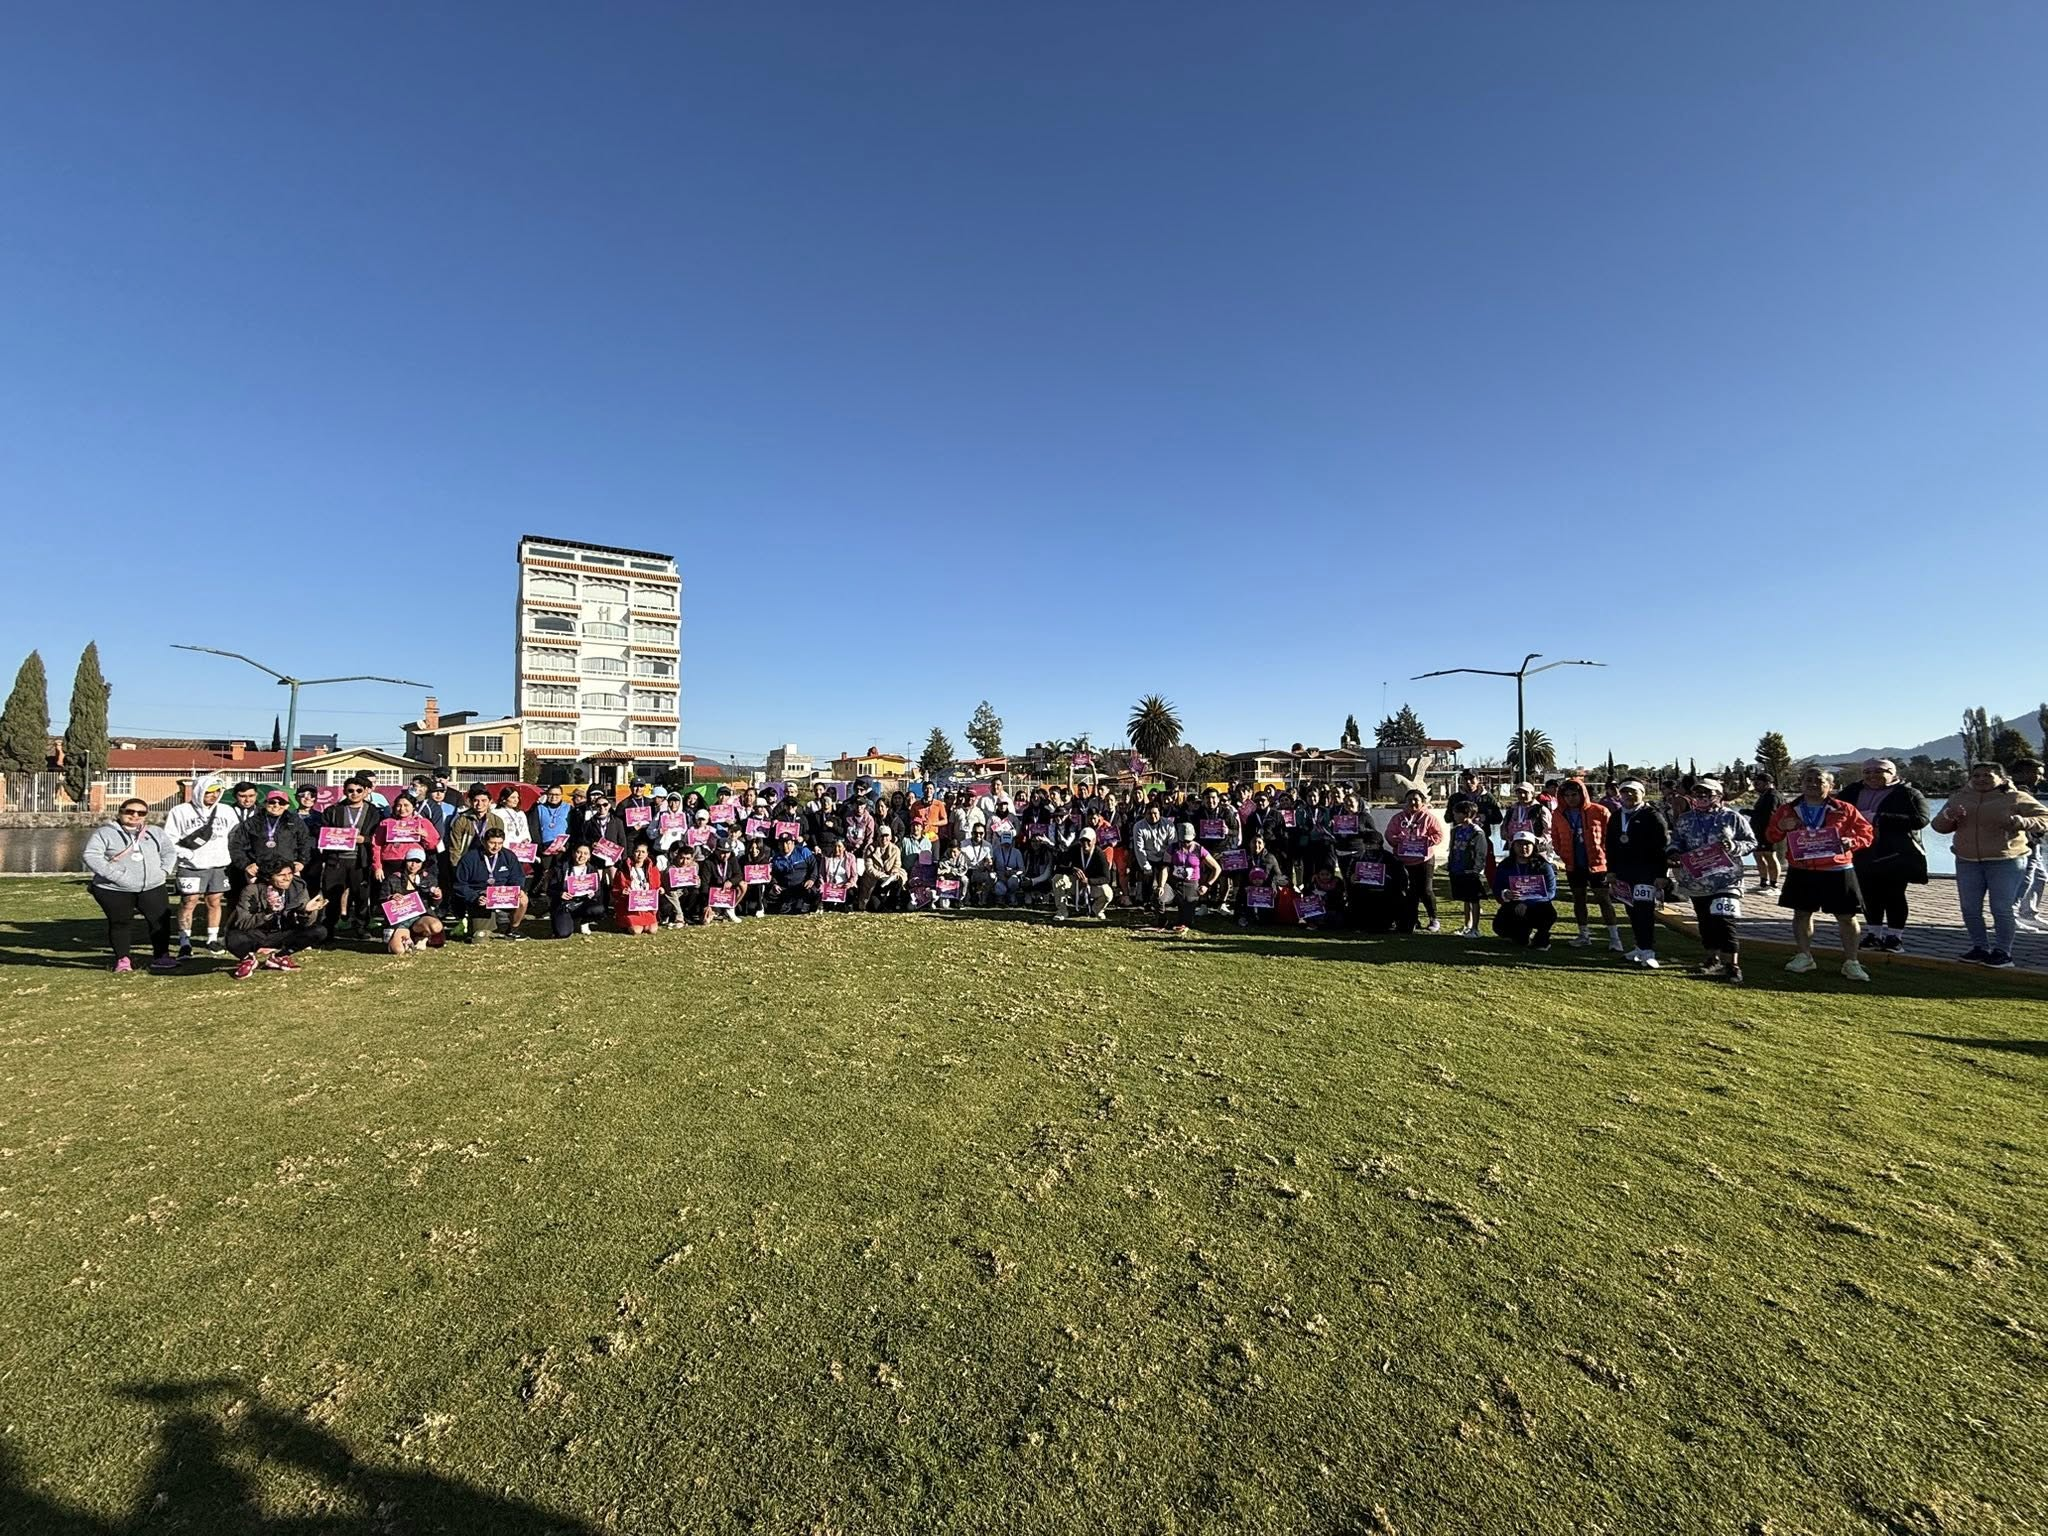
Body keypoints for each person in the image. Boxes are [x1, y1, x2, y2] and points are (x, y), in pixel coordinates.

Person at [1929, 761, 2048, 968]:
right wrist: (1949, 816)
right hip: (1967, 861)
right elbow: (1938, 826)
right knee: (1969, 908)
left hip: (2006, 861)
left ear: (2001, 778)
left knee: (2001, 908)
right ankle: (1980, 948)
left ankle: (2003, 952)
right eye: (1976, 776)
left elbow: (2044, 818)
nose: (1981, 779)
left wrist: (2021, 822)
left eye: (1988, 775)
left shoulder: (2015, 796)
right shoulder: (1959, 798)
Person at [1766, 767, 1875, 981]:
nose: (1813, 784)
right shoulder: (1788, 809)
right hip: (1802, 869)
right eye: (1808, 780)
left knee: (1846, 917)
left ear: (1830, 786)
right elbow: (1770, 836)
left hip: (1837, 869)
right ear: (1801, 784)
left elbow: (1867, 833)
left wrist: (1852, 842)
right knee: (1801, 914)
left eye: (1819, 781)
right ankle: (1804, 956)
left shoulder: (1844, 808)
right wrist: (1780, 826)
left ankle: (1852, 962)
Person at [1666, 778, 1753, 981]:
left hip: (1726, 879)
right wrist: (1674, 852)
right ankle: (1712, 959)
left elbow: (1751, 842)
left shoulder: (1732, 817)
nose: (1702, 797)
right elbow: (1676, 841)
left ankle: (1732, 964)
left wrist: (1734, 847)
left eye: (1707, 793)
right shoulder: (1686, 819)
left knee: (1724, 919)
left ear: (1719, 796)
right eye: (1698, 793)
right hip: (1697, 880)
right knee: (1705, 920)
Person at [82, 797, 179, 974]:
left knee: (160, 921)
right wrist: (116, 876)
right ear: (120, 812)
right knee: (120, 922)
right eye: (130, 811)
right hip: (115, 888)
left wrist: (164, 871)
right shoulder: (105, 833)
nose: (135, 815)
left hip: (152, 886)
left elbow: (169, 851)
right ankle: (123, 959)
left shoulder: (155, 832)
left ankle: (161, 956)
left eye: (141, 813)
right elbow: (91, 855)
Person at [1844, 758, 1931, 954]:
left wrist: (1878, 818)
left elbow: (1921, 820)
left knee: (1894, 895)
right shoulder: (1852, 791)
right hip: (1861, 851)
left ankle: (1894, 937)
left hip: (1895, 853)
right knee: (1868, 895)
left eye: (1879, 771)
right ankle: (1874, 934)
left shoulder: (1908, 793)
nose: (1872, 775)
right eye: (1867, 772)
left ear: (1893, 774)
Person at [163, 776, 238, 956]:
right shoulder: (180, 811)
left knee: (214, 901)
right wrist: (185, 854)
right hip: (191, 865)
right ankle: (184, 942)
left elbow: (235, 836)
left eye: (217, 791)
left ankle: (212, 939)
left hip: (219, 865)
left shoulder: (226, 811)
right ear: (199, 791)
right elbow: (168, 839)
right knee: (189, 901)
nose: (213, 795)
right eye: (209, 792)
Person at [223, 861, 330, 978]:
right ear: (269, 877)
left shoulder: (298, 887)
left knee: (319, 931)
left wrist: (306, 911)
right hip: (257, 933)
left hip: (283, 932)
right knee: (233, 938)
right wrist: (268, 912)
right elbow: (242, 923)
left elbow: (306, 924)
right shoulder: (252, 891)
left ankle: (280, 956)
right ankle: (248, 959)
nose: (287, 878)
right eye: (281, 875)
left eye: (290, 874)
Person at [1603, 780, 1670, 967]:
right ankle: (1639, 947)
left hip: (1647, 872)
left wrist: (1661, 874)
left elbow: (1662, 847)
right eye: (1625, 792)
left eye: (1633, 792)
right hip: (1624, 872)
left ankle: (1648, 951)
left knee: (1644, 910)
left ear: (1642, 794)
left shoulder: (1653, 815)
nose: (1629, 795)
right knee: (1631, 909)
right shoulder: (1616, 816)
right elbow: (1611, 846)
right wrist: (1611, 871)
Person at [1550, 779, 1622, 952]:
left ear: (1582, 794)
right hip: (1573, 865)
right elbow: (1555, 836)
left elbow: (1611, 836)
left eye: (1574, 794)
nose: (1570, 799)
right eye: (1567, 795)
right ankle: (1584, 935)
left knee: (1603, 899)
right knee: (1578, 899)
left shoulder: (1600, 811)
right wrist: (1562, 853)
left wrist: (1607, 857)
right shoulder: (1558, 814)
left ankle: (1614, 938)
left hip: (1598, 864)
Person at [315, 775, 385, 940]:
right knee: (332, 895)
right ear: (345, 791)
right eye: (351, 790)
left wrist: (365, 839)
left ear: (365, 792)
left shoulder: (374, 812)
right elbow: (321, 831)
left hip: (360, 859)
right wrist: (330, 836)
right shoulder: (333, 810)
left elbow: (379, 836)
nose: (354, 794)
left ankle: (361, 927)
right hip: (336, 859)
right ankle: (328, 929)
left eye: (359, 790)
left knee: (361, 895)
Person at [231, 787, 312, 899]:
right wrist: (246, 865)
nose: (276, 805)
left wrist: (302, 861)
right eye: (272, 802)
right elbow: (237, 845)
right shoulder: (252, 822)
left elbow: (305, 842)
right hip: (260, 870)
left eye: (281, 803)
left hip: (287, 870)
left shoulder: (295, 821)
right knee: (259, 901)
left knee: (293, 901)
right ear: (265, 803)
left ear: (287, 805)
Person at [453, 826, 530, 942]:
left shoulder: (508, 856)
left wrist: (517, 889)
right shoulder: (469, 858)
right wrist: (475, 898)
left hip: (503, 894)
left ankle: (513, 929)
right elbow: (460, 884)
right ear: (484, 842)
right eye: (492, 843)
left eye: (500, 843)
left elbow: (517, 876)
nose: (496, 847)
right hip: (481, 896)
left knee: (523, 899)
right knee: (480, 936)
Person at [1385, 788, 1445, 935]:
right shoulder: (1398, 818)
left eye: (1416, 800)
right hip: (1404, 860)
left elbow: (1438, 835)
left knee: (1426, 890)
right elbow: (1389, 834)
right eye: (1410, 800)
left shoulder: (1428, 817)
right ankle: (1412, 919)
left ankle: (1434, 918)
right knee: (1408, 891)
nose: (1413, 802)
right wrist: (1397, 840)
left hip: (1424, 859)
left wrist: (1426, 841)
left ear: (1422, 801)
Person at [1491, 829, 1557, 949]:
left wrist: (1528, 903)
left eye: (1527, 844)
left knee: (1549, 913)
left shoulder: (1544, 866)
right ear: (1513, 846)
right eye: (1519, 844)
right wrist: (1505, 893)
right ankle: (1521, 934)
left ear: (1533, 846)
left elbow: (1551, 892)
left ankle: (1542, 936)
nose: (1523, 847)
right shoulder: (1505, 865)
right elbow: (1497, 887)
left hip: (1538, 904)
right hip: (1514, 903)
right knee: (1500, 926)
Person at [377, 846, 447, 954]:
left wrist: (437, 896)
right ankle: (403, 938)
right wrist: (390, 898)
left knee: (436, 926)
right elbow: (381, 902)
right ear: (405, 861)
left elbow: (435, 904)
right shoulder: (393, 878)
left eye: (418, 862)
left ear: (423, 863)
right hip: (400, 921)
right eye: (410, 861)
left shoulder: (429, 878)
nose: (413, 865)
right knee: (398, 950)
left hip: (420, 917)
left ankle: (420, 937)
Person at [1157, 823, 1221, 932]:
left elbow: (1217, 868)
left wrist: (1207, 885)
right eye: (1183, 841)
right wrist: (1161, 885)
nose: (1185, 844)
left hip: (1191, 885)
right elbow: (1165, 868)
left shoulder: (1200, 849)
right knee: (1158, 897)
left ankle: (1183, 919)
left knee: (1186, 922)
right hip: (1173, 883)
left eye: (1188, 841)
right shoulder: (1172, 848)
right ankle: (1162, 920)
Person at [1444, 799, 1490, 938]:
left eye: (1456, 813)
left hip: (1471, 871)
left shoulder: (1477, 832)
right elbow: (1452, 848)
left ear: (1466, 814)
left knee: (1474, 899)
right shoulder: (1455, 830)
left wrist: (1476, 870)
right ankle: (1467, 925)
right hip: (1457, 868)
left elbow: (1481, 853)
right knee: (1465, 898)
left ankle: (1475, 928)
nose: (1454, 816)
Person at [2012, 757, 2047, 928]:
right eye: (2038, 774)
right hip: (2024, 844)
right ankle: (2010, 916)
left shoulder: (2028, 791)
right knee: (2023, 879)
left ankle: (2028, 914)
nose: (2041, 777)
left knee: (2040, 877)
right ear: (2025, 773)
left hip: (2035, 842)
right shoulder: (2016, 793)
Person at [1055, 826, 1116, 920]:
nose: (1085, 844)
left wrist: (1089, 881)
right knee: (1057, 879)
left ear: (1094, 841)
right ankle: (1062, 911)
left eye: (1088, 841)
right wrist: (1071, 869)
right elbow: (1058, 867)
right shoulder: (1074, 849)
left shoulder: (1099, 854)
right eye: (1082, 841)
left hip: (1091, 886)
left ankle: (1097, 909)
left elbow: (1106, 878)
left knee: (1108, 893)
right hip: (1075, 883)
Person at [548, 842, 606, 937]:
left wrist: (592, 893)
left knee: (599, 910)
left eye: (585, 853)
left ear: (589, 856)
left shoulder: (592, 870)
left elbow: (598, 891)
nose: (582, 856)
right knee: (563, 934)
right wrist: (560, 894)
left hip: (584, 903)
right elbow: (549, 890)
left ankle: (584, 920)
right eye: (579, 852)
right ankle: (564, 920)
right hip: (565, 905)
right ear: (573, 853)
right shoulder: (561, 868)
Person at [612, 842, 661, 935]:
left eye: (643, 852)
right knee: (636, 931)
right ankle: (624, 924)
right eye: (637, 851)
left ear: (647, 854)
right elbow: (615, 889)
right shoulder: (623, 868)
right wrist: (622, 892)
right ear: (633, 853)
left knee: (652, 930)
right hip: (629, 906)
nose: (640, 854)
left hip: (647, 905)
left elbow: (656, 885)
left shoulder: (653, 868)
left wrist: (659, 889)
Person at [1748, 771, 1782, 891]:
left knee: (1770, 855)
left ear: (1767, 783)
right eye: (1754, 784)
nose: (1755, 786)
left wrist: (1750, 813)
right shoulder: (1764, 795)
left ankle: (1774, 884)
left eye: (1758, 784)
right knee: (1758, 855)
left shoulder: (1772, 796)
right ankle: (1763, 882)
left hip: (1767, 831)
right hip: (1758, 830)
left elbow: (1769, 815)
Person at [771, 831, 820, 915]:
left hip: (803, 885)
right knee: (771, 894)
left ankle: (805, 903)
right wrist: (774, 884)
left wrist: (812, 879)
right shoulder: (776, 858)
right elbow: (773, 874)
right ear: (779, 845)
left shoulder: (803, 851)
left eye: (788, 843)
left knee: (811, 892)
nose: (785, 846)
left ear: (793, 843)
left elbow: (814, 865)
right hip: (786, 887)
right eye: (782, 843)